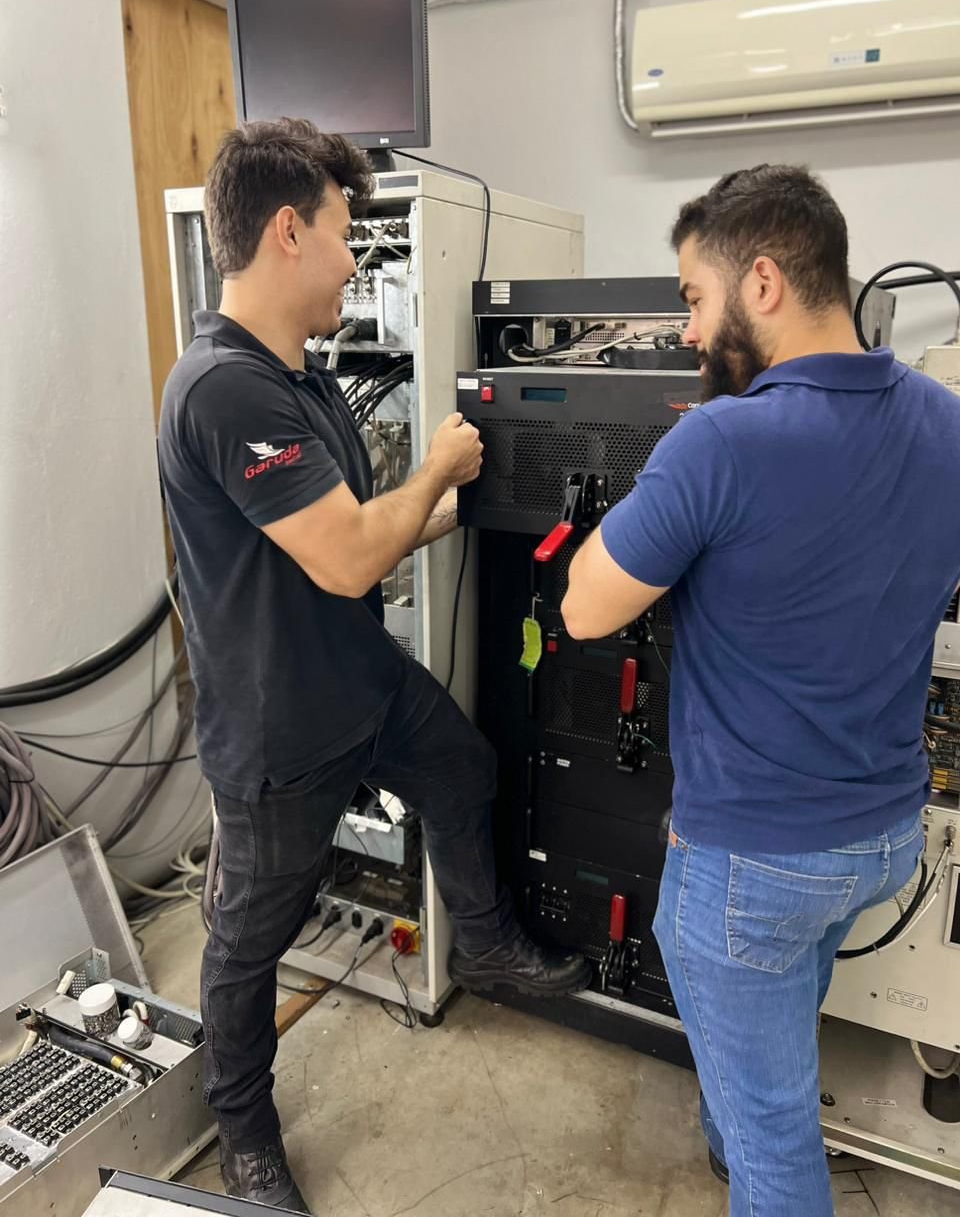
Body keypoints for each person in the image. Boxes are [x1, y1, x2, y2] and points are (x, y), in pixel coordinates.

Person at [157, 118, 589, 1213]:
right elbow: (350, 555)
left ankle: (481, 944)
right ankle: (245, 1135)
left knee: (464, 769)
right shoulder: (222, 388)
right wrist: (436, 463)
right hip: (280, 729)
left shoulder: (298, 383)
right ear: (288, 232)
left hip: (358, 678)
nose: (355, 260)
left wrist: (470, 503)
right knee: (251, 940)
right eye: (345, 234)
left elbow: (357, 535)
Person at [561, 164, 960, 1216]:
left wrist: (651, 504)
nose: (691, 331)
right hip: (882, 837)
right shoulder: (946, 420)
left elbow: (585, 608)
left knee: (781, 1147)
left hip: (754, 861)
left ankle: (749, 1153)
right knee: (777, 1028)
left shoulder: (718, 441)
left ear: (766, 282)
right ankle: (728, 1135)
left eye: (696, 298)